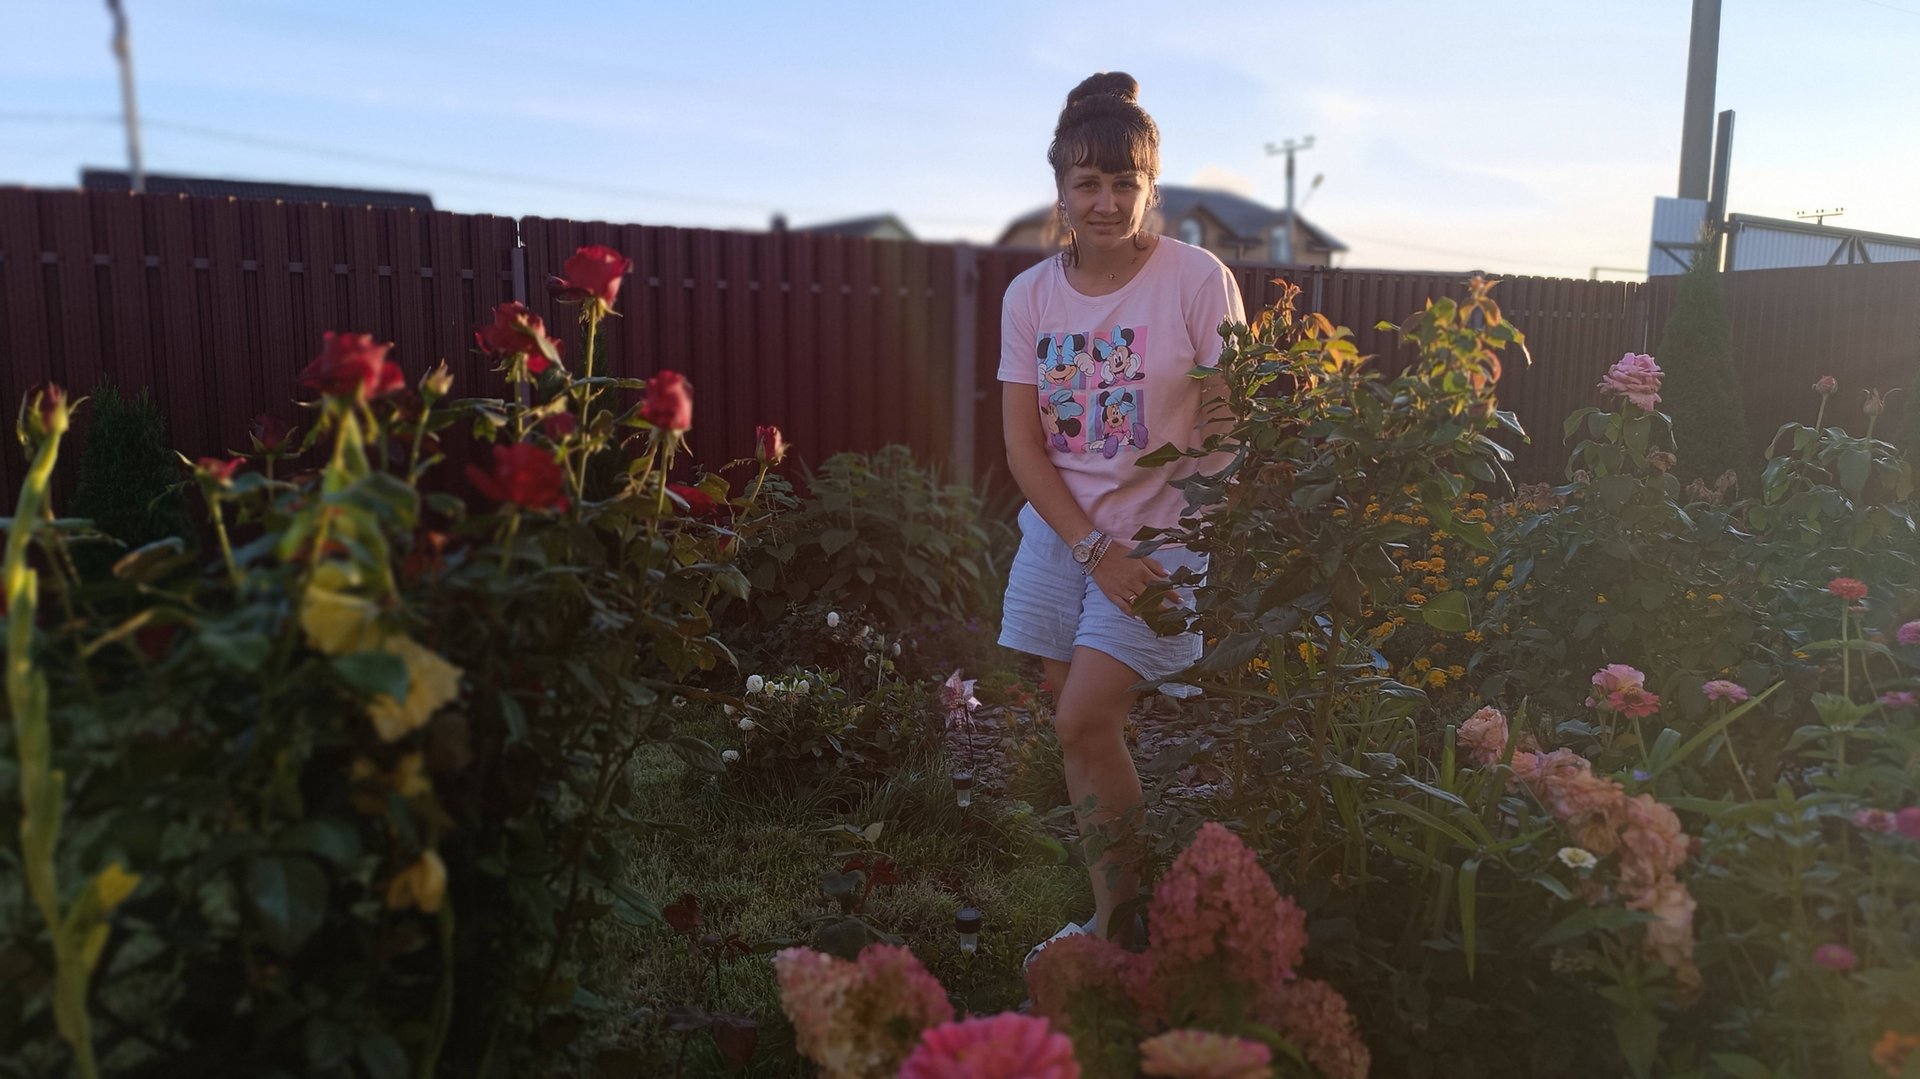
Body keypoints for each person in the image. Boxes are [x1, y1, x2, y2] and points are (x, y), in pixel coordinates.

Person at [996, 72, 1246, 956]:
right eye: (1086, 184)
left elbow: (1228, 427)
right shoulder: (1030, 296)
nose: (1104, 203)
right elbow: (1026, 446)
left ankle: (1117, 927)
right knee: (1073, 715)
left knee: (1081, 720)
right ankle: (1120, 905)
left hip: (1161, 542)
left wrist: (1176, 540)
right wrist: (1090, 544)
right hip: (1065, 536)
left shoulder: (1194, 279)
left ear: (1151, 184)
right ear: (1060, 186)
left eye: (1122, 184)